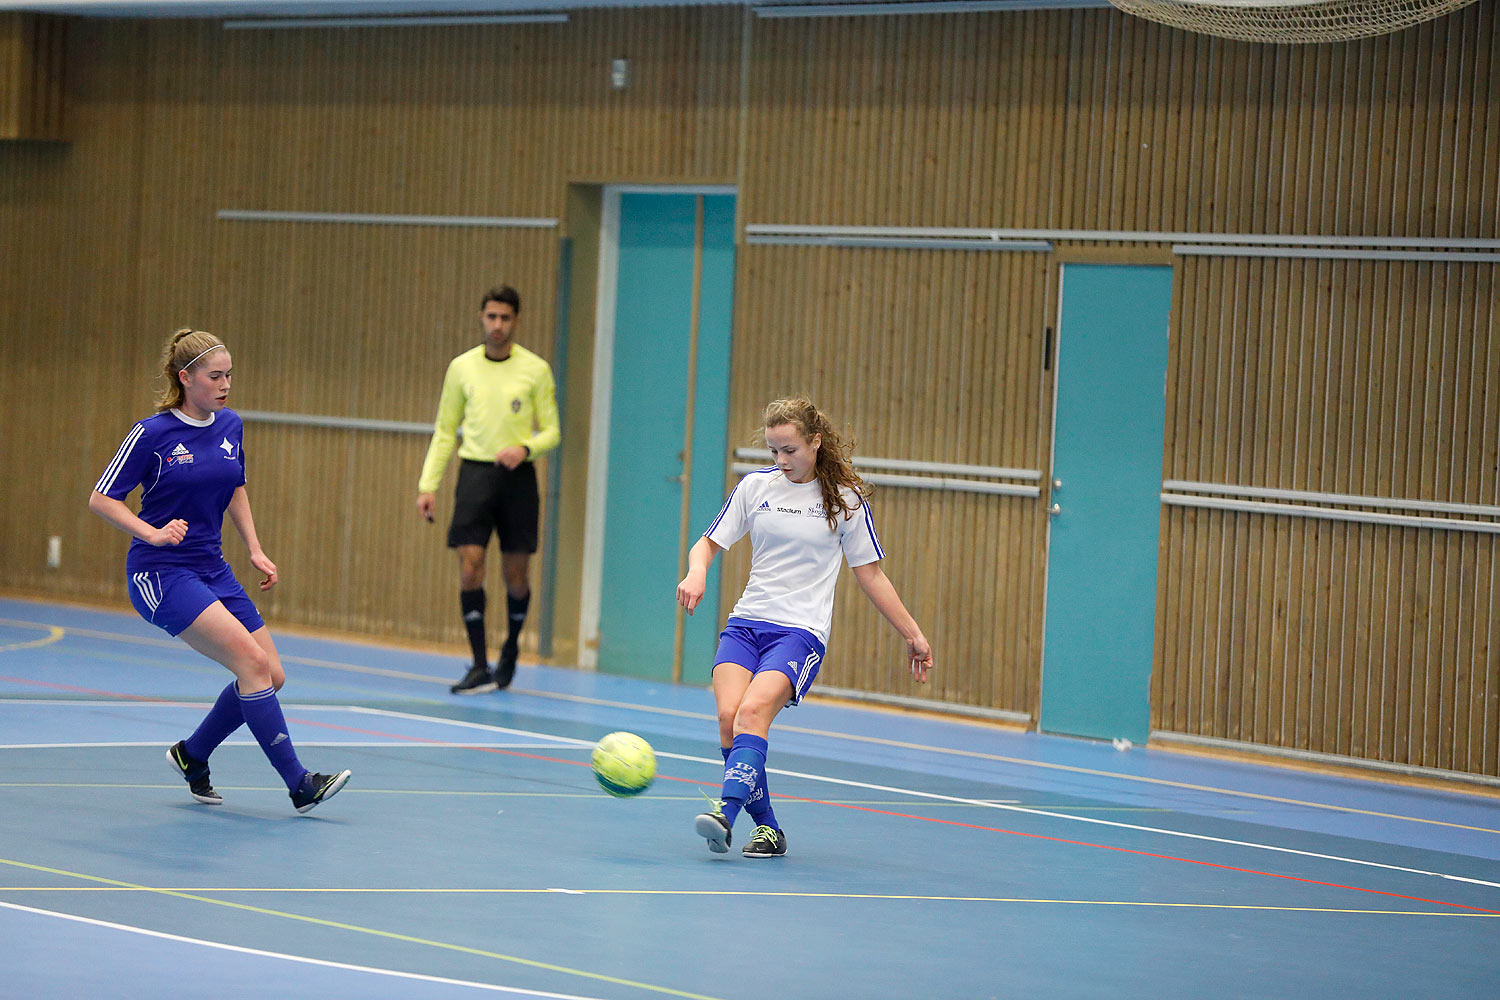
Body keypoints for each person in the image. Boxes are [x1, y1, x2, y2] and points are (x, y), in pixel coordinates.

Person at [89, 328, 350, 814]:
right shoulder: (152, 434)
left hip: (213, 566)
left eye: (229, 374)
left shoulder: (230, 426)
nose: (225, 383)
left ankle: (193, 754)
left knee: (271, 675)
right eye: (215, 375)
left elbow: (234, 487)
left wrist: (255, 547)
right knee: (251, 666)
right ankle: (299, 784)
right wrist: (152, 533)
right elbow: (101, 498)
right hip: (161, 573)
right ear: (186, 378)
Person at [676, 396, 933, 858]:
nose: (781, 461)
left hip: (799, 632)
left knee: (753, 713)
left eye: (789, 450)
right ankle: (769, 829)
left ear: (815, 442)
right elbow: (707, 543)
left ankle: (724, 816)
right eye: (773, 450)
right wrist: (698, 571)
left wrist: (913, 634)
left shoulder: (845, 500)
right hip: (746, 623)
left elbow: (871, 574)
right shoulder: (756, 488)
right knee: (728, 722)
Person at [417, 285, 560, 694]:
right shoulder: (461, 368)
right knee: (469, 567)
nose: (497, 325)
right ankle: (479, 664)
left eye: (505, 318)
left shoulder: (535, 369)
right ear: (482, 318)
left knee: (515, 576)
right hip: (475, 476)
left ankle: (510, 651)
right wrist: (428, 485)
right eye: (491, 317)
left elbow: (553, 431)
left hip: (517, 480)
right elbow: (445, 431)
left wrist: (526, 447)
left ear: (516, 321)